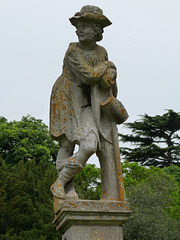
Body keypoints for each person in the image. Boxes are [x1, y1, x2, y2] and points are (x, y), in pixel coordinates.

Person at [49, 6, 127, 211]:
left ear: (97, 30)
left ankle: (59, 182)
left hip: (88, 103)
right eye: (79, 26)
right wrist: (109, 66)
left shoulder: (101, 52)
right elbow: (89, 75)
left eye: (85, 26)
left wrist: (110, 73)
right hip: (65, 98)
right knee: (66, 145)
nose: (79, 30)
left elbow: (105, 83)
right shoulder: (72, 50)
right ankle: (67, 189)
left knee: (90, 144)